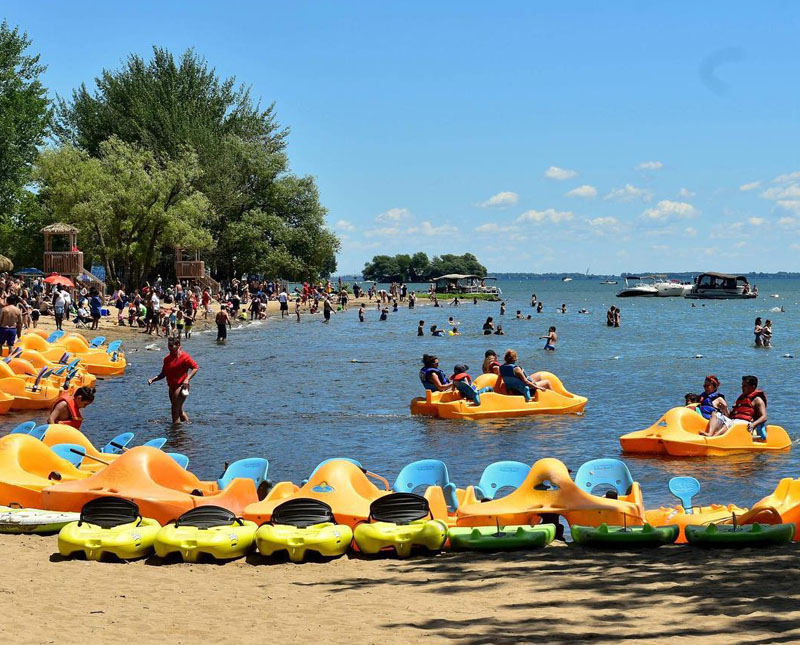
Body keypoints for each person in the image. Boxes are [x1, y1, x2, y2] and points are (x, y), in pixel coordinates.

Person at [148, 337, 199, 425]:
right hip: (171, 387)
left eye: (172, 346)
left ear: (178, 345)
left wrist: (187, 379)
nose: (170, 348)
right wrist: (153, 379)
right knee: (179, 411)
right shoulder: (167, 359)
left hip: (181, 386)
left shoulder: (185, 357)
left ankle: (175, 435)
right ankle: (188, 426)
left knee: (174, 411)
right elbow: (163, 374)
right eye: (169, 346)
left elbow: (195, 368)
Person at [703, 375, 768, 439]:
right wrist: (725, 409)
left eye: (745, 386)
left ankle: (714, 438)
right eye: (742, 385)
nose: (742, 387)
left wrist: (753, 424)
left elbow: (764, 417)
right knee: (715, 414)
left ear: (753, 387)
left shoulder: (758, 400)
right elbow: (730, 416)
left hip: (745, 424)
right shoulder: (741, 398)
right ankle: (710, 434)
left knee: (731, 423)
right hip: (734, 421)